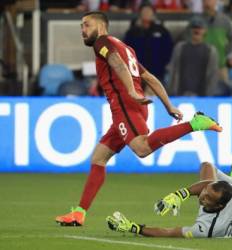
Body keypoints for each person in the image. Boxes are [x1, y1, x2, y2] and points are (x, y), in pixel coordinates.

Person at [55, 11, 222, 226]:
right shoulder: (127, 48)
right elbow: (149, 77)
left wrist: (131, 92)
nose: (83, 30)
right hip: (129, 108)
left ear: (101, 25)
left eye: (86, 25)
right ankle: (79, 213)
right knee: (98, 159)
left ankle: (195, 123)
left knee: (142, 148)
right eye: (81, 26)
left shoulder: (102, 42)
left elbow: (116, 62)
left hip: (126, 106)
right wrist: (168, 105)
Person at [107, 160, 232, 238]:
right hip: (231, 192)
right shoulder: (216, 195)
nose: (202, 198)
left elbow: (169, 232)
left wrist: (135, 228)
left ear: (219, 205)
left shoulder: (207, 229)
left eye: (208, 199)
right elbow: (206, 182)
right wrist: (179, 194)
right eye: (205, 193)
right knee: (209, 165)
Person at [167, 15, 219, 96]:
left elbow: (213, 75)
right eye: (194, 27)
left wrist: (209, 95)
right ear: (189, 30)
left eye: (200, 28)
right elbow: (172, 70)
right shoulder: (180, 48)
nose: (197, 30)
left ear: (205, 30)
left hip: (202, 96)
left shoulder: (211, 51)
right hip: (180, 94)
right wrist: (171, 92)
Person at [124, 3, 173, 84]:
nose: (146, 13)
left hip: (157, 73)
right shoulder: (132, 32)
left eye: (149, 11)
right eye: (144, 11)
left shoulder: (161, 31)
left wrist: (163, 66)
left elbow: (168, 49)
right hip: (136, 73)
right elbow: (126, 51)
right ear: (139, 14)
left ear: (153, 14)